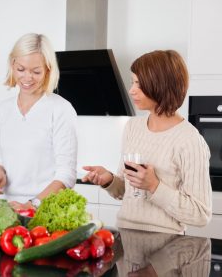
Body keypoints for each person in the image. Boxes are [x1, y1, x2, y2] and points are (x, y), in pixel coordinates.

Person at [82, 50, 212, 234]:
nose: (131, 90)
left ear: (161, 86)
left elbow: (201, 214)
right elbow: (125, 191)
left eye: (139, 84)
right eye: (132, 82)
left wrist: (154, 185)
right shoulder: (132, 127)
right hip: (125, 237)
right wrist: (109, 180)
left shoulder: (190, 140)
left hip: (165, 244)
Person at [0, 33, 78, 210]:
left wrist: (32, 205)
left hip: (46, 210)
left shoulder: (61, 110)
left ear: (48, 70)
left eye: (36, 71)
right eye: (21, 69)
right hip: (8, 209)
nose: (27, 78)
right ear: (12, 65)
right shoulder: (1, 111)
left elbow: (66, 174)